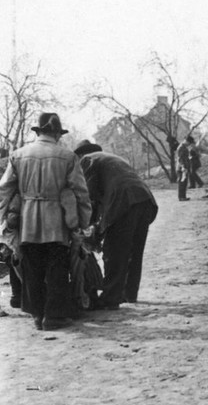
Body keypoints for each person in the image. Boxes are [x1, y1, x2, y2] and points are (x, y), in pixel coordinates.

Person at [0, 112, 91, 330]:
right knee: (56, 266)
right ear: (57, 134)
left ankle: (37, 316)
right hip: (56, 219)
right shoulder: (68, 157)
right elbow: (80, 192)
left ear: (38, 132)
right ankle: (54, 317)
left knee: (32, 268)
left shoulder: (18, 155)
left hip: (28, 219)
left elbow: (4, 190)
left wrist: (2, 217)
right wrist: (83, 221)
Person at [74, 140, 158, 309]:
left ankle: (111, 298)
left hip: (124, 202)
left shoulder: (87, 161)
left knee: (114, 251)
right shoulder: (111, 158)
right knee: (134, 250)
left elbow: (90, 197)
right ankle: (129, 293)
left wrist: (87, 226)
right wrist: (97, 226)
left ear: (79, 155)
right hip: (145, 201)